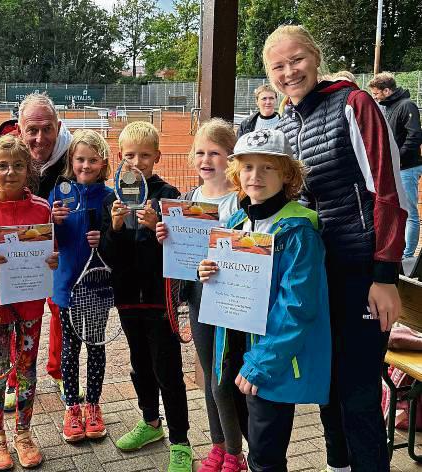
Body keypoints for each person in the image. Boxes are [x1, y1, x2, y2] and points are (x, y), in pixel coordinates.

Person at [264, 25, 407, 471]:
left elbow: (387, 190)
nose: (289, 72)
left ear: (316, 57)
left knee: (359, 396)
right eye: (278, 67)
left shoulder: (353, 103)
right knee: (329, 385)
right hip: (317, 273)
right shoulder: (286, 120)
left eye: (297, 60)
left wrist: (384, 274)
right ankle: (337, 464)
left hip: (360, 270)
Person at [199, 128, 331, 472]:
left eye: (267, 168)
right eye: (247, 167)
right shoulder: (236, 221)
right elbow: (227, 285)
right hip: (235, 352)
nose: (255, 176)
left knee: (265, 456)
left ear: (287, 173)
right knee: (251, 441)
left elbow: (297, 307)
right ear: (236, 173)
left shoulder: (299, 231)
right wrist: (210, 271)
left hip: (269, 361)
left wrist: (262, 364)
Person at [99, 121, 192, 472]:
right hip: (127, 298)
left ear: (157, 157)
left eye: (145, 155)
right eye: (130, 155)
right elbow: (110, 254)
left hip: (160, 299)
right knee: (140, 366)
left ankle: (181, 441)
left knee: (168, 370)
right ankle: (151, 422)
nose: (136, 161)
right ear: (120, 157)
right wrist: (117, 228)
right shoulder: (113, 197)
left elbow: (180, 251)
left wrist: (157, 228)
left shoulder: (169, 195)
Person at [156, 118, 246, 472]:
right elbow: (183, 257)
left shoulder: (242, 201)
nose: (206, 160)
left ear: (231, 158)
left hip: (233, 301)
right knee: (210, 374)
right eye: (200, 153)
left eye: (215, 153)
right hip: (199, 299)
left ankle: (236, 452)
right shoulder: (188, 200)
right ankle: (219, 445)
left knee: (226, 377)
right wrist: (167, 235)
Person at [0, 93, 77, 411]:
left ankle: (59, 372)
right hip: (17, 263)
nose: (39, 137)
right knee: (12, 313)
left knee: (60, 311)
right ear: (19, 129)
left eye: (47, 129)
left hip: (59, 252)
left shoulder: (72, 155)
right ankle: (10, 380)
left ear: (58, 127)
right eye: (32, 130)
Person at [0, 135, 59, 470]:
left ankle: (23, 432)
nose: (10, 172)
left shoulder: (41, 208)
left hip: (30, 304)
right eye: (2, 166)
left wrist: (52, 260)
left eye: (18, 165)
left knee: (26, 370)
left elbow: (49, 252)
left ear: (29, 170)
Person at [49, 130, 112, 443]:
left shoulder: (110, 197)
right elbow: (49, 241)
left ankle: (94, 405)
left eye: (92, 160)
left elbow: (118, 241)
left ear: (103, 163)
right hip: (66, 287)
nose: (85, 165)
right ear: (71, 161)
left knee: (96, 347)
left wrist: (105, 238)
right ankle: (72, 407)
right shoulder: (58, 195)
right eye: (80, 159)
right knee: (70, 351)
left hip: (98, 289)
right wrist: (55, 222)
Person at [369, 72, 422, 260]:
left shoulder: (407, 105)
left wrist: (396, 159)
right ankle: (398, 253)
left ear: (387, 90)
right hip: (393, 169)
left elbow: (415, 136)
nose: (375, 97)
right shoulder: (387, 108)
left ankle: (408, 256)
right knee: (394, 211)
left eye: (377, 93)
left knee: (409, 212)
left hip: (406, 169)